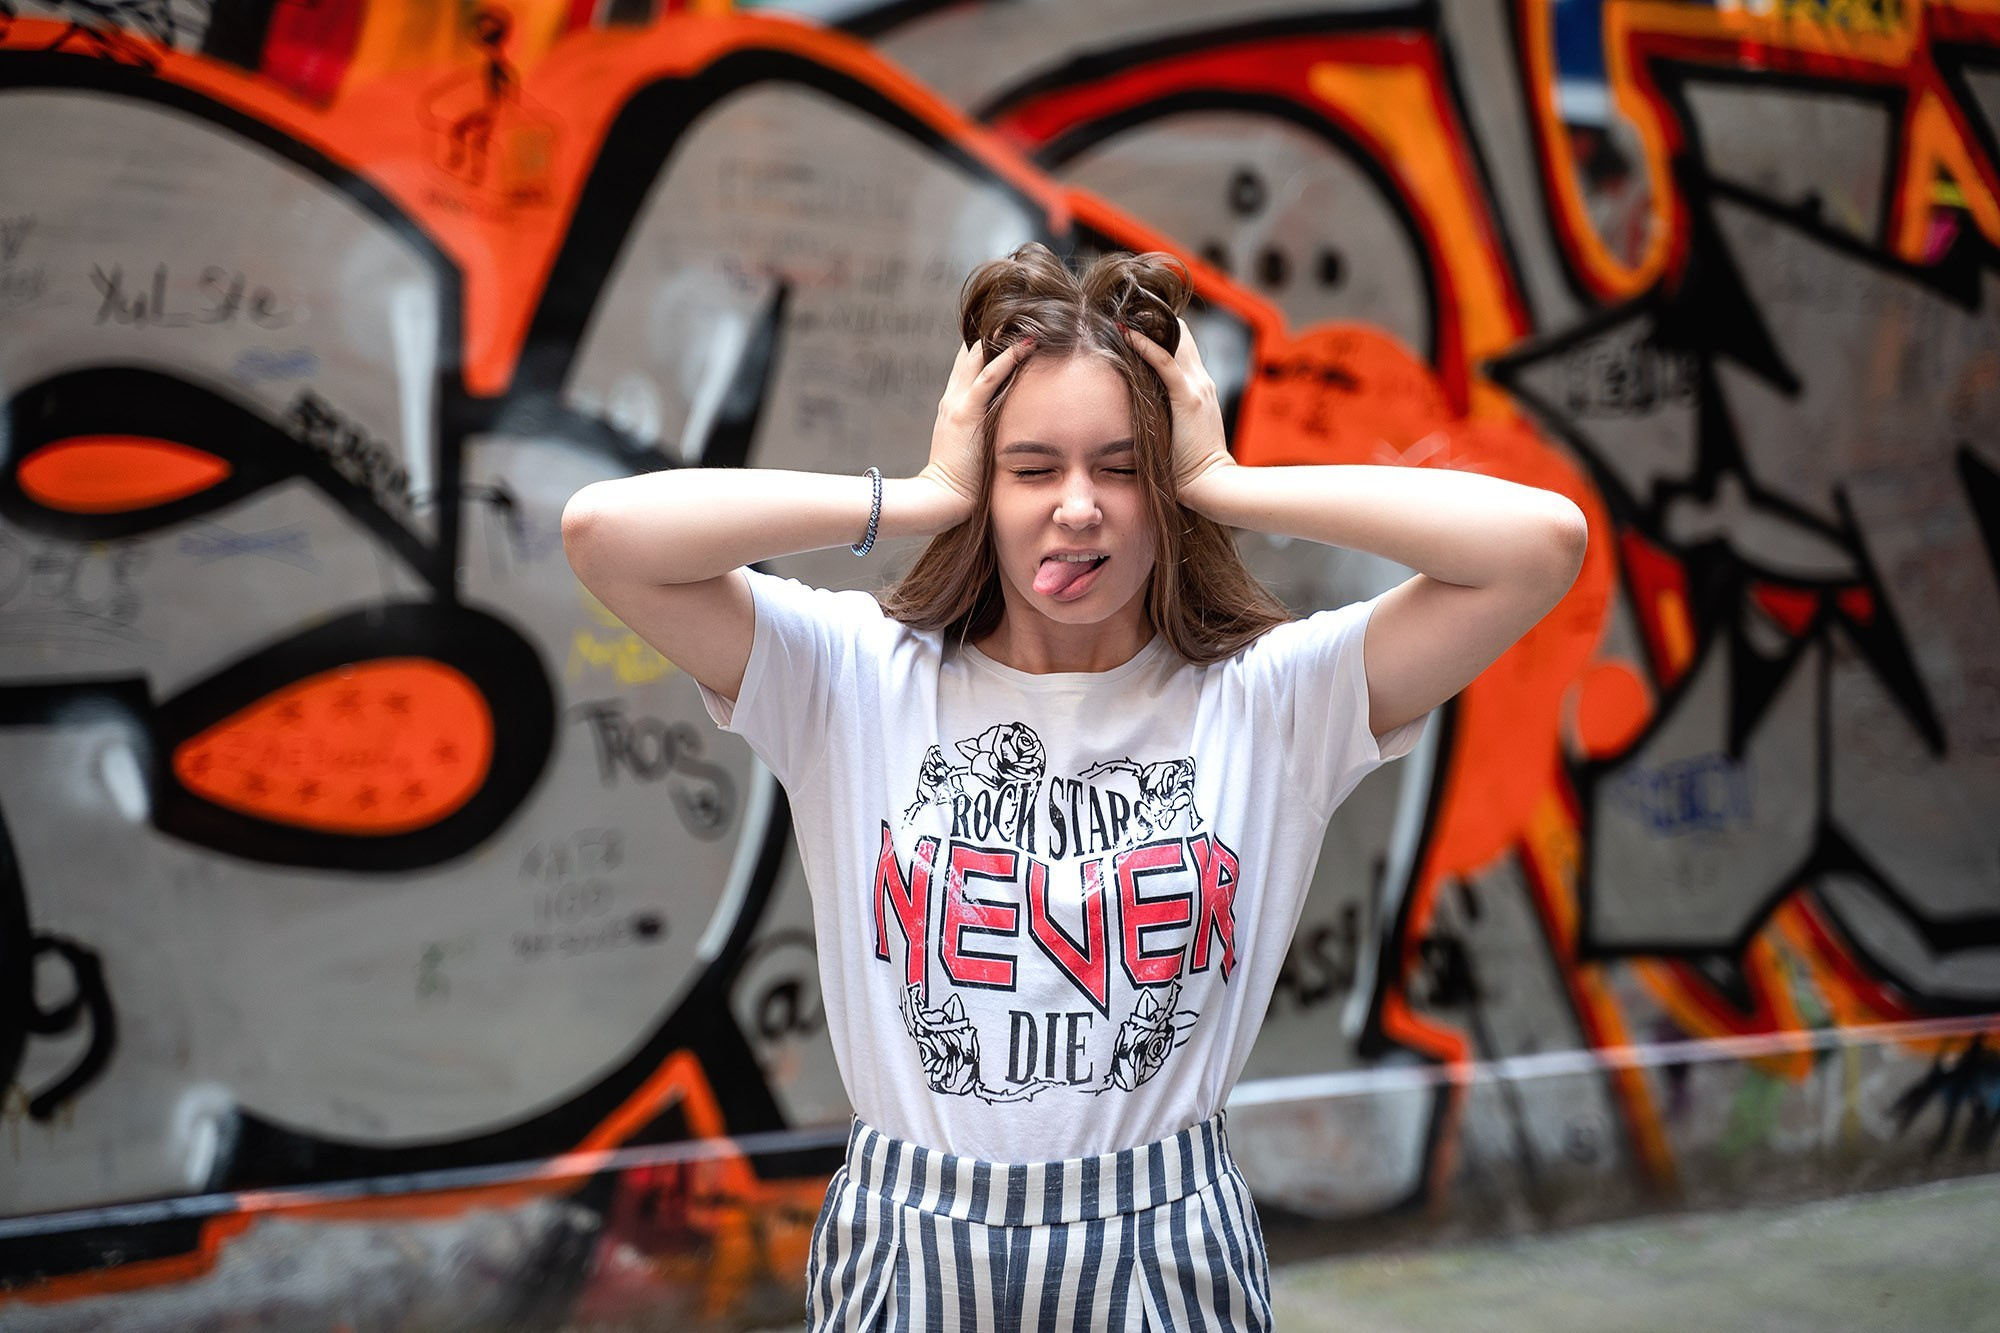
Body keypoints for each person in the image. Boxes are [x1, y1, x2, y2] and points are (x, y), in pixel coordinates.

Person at [562, 244, 1586, 1331]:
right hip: (909, 1251)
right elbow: (605, 534)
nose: (1080, 508)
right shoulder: (854, 675)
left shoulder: (1270, 700)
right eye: (1033, 468)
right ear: (985, 486)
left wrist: (1228, 483)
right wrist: (916, 497)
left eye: (1121, 465)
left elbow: (1539, 544)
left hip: (1163, 1248)